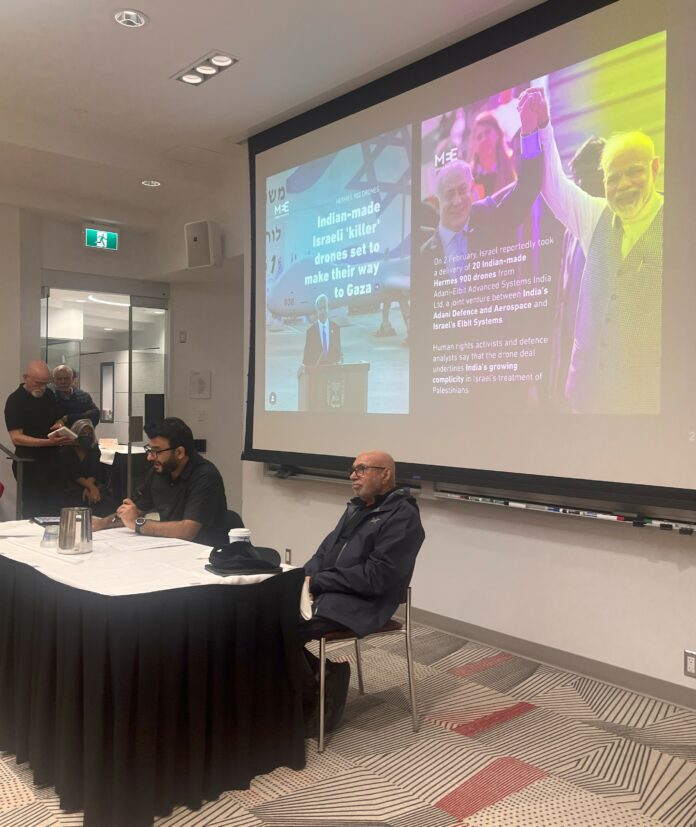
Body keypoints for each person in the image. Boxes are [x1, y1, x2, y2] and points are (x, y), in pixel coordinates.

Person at [520, 86, 663, 414]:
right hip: (583, 403)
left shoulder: (678, 224)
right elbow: (554, 186)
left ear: (654, 169)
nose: (623, 185)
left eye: (634, 172)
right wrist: (542, 128)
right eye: (614, 178)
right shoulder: (598, 214)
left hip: (644, 412)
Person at [300, 450, 425, 732]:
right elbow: (324, 552)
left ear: (386, 474)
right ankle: (313, 683)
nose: (353, 475)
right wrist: (305, 577)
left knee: (278, 627)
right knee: (261, 615)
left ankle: (323, 685)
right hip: (330, 593)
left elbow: (375, 578)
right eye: (352, 469)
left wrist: (318, 582)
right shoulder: (356, 508)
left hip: (365, 604)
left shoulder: (403, 518)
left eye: (362, 469)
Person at [421, 92, 544, 266]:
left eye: (463, 190)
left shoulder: (486, 218)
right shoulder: (425, 254)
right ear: (437, 200)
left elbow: (527, 186)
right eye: (449, 194)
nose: (457, 201)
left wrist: (529, 130)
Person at [93, 417, 228, 546]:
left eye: (156, 451)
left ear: (179, 452)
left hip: (204, 554)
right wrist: (102, 523)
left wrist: (139, 524)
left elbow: (187, 531)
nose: (149, 457)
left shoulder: (206, 476)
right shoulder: (160, 472)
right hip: (170, 547)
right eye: (149, 450)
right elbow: (134, 511)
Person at [547, 137, 606, 407]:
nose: (579, 185)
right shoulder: (570, 230)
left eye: (585, 177)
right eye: (576, 178)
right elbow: (563, 303)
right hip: (568, 366)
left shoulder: (613, 225)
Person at [4, 359, 74, 517]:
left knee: (54, 507)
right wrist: (48, 442)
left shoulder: (48, 395)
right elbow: (17, 438)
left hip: (53, 460)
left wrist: (60, 425)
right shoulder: (15, 401)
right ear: (26, 377)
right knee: (33, 508)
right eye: (38, 383)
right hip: (29, 463)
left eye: (45, 383)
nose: (42, 387)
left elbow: (57, 418)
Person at [58, 418, 113, 516]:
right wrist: (91, 487)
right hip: (71, 487)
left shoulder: (94, 450)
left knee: (106, 502)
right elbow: (73, 473)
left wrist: (90, 488)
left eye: (89, 434)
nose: (86, 436)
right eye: (83, 433)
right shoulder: (66, 451)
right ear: (76, 434)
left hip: (92, 486)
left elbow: (94, 471)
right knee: (76, 500)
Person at [467, 110, 517, 199]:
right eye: (479, 137)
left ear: (498, 133)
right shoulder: (469, 177)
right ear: (475, 147)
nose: (484, 139)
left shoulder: (514, 162)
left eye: (487, 132)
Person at [302, 294, 342, 366]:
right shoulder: (311, 332)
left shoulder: (336, 329)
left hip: (333, 373)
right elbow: (306, 358)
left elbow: (338, 353)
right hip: (317, 374)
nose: (323, 311)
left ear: (328, 308)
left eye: (324, 308)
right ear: (317, 311)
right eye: (320, 309)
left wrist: (340, 361)